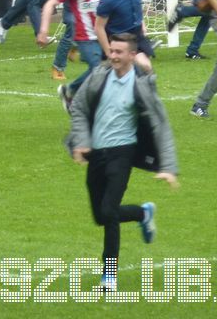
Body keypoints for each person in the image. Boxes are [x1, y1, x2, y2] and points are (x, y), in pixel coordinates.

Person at [66, 32, 179, 291]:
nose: (113, 56)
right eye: (111, 51)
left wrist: (169, 167)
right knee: (100, 216)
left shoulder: (141, 85)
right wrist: (82, 141)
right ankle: (143, 213)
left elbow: (161, 124)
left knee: (108, 210)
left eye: (119, 52)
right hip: (97, 153)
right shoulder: (98, 77)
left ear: (131, 55)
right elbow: (79, 107)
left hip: (122, 153)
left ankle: (109, 277)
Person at [39, 0, 113, 110]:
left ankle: (70, 90)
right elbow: (50, 4)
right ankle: (91, 105)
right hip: (85, 37)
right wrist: (44, 30)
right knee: (98, 70)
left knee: (108, 69)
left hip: (106, 34)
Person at [95, 0, 155, 73]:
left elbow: (137, 7)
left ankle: (144, 89)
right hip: (118, 40)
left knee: (146, 68)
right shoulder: (108, 0)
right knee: (121, 74)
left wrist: (142, 24)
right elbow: (99, 27)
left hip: (136, 36)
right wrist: (109, 52)